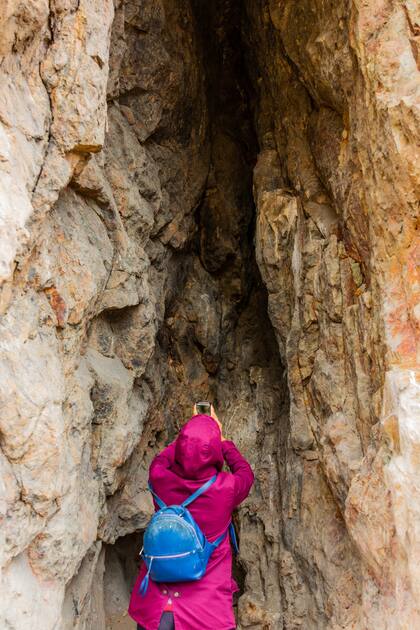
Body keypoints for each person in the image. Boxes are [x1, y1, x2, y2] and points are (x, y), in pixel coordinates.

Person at [128, 404, 255, 630]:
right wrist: (222, 439)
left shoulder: (159, 476)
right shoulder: (225, 489)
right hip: (204, 612)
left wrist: (187, 439)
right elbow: (245, 472)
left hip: (156, 608)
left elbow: (162, 458)